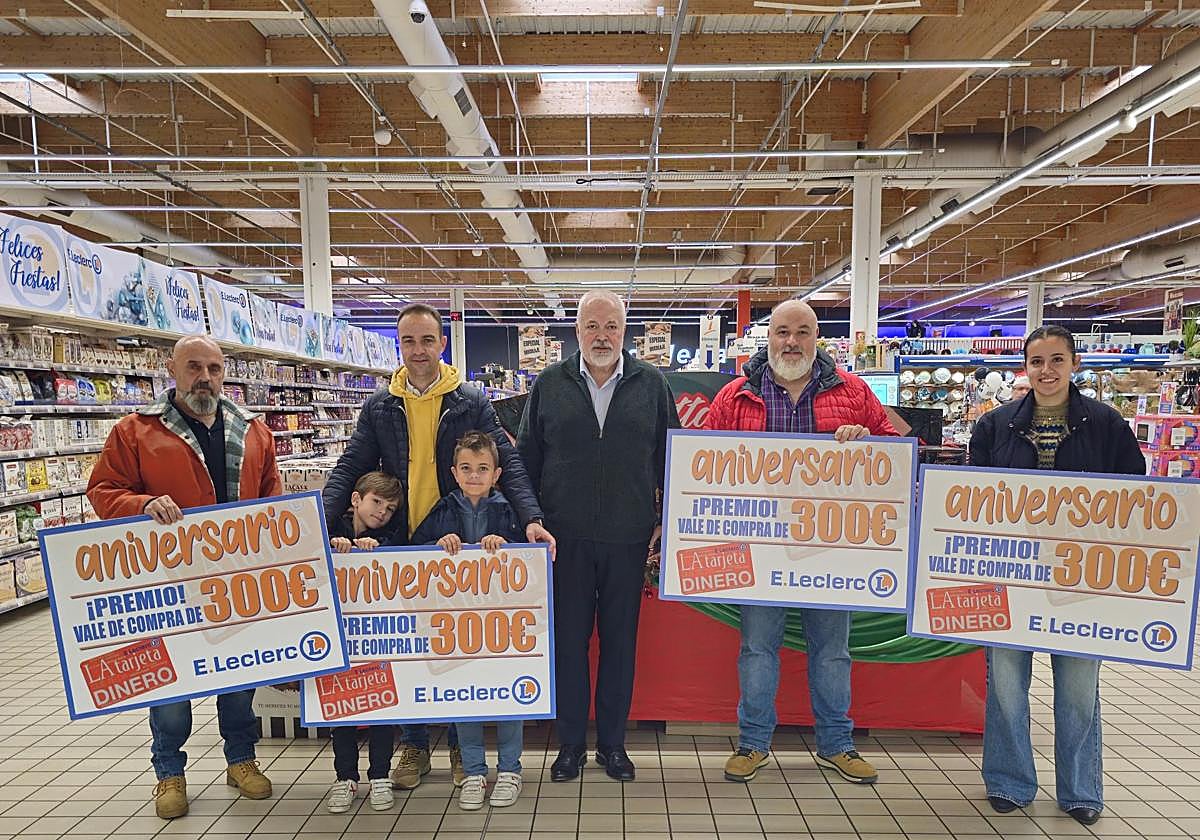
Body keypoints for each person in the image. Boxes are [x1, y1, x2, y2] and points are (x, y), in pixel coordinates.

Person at [321, 302, 555, 790]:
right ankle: (413, 744)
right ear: (399, 345)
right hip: (406, 539)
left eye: (427, 340)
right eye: (409, 340)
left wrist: (530, 518)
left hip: (456, 542)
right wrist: (320, 519)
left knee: (453, 639)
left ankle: (454, 744)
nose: (419, 350)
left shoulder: (468, 398)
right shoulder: (381, 403)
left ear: (442, 343)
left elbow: (505, 461)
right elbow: (351, 463)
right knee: (412, 643)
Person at [704, 299, 898, 786]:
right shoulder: (735, 395)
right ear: (768, 338)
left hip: (832, 549)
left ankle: (837, 744)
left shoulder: (854, 394)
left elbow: (896, 450)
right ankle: (752, 744)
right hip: (759, 550)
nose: (792, 341)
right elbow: (702, 460)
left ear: (818, 339)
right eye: (782, 332)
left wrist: (869, 442)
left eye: (803, 332)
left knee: (832, 650)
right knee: (757, 649)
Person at [86, 335, 279, 820]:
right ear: (171, 368)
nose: (205, 378)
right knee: (171, 683)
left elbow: (274, 497)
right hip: (168, 585)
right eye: (194, 367)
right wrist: (142, 504)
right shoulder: (136, 431)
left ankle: (241, 760)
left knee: (239, 676)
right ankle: (168, 773)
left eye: (214, 368)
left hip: (236, 581)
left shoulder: (253, 430)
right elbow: (104, 489)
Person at [969, 325, 1145, 826]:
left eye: (1056, 361)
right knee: (1004, 684)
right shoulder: (994, 426)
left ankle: (1081, 789)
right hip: (1008, 576)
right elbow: (971, 500)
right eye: (1037, 362)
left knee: (1077, 688)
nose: (1046, 371)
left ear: (1074, 365)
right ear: (1025, 367)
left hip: (1080, 580)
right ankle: (1008, 781)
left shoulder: (1107, 424)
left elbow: (1134, 496)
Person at [517, 290, 680, 782]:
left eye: (611, 326)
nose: (602, 335)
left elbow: (672, 458)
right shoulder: (549, 383)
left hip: (628, 538)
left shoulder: (652, 385)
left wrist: (664, 518)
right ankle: (569, 745)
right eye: (592, 326)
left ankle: (613, 745)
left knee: (619, 643)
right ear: (577, 332)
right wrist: (531, 518)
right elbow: (524, 461)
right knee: (568, 644)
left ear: (624, 330)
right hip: (561, 541)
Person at [411, 431, 528, 810]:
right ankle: (475, 771)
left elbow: (529, 561)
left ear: (496, 473)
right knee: (466, 697)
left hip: (503, 627)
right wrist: (437, 546)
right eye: (466, 468)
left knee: (509, 697)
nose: (474, 476)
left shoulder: (509, 510)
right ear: (454, 472)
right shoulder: (444, 509)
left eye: (482, 469)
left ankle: (510, 769)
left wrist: (507, 546)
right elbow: (413, 552)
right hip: (458, 628)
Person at [325, 471, 404, 814]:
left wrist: (378, 547)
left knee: (381, 707)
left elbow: (402, 551)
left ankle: (381, 775)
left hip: (377, 638)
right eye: (376, 502)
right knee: (339, 707)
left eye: (389, 508)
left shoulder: (388, 533)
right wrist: (335, 545)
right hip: (340, 635)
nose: (381, 513)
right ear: (356, 499)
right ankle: (345, 777)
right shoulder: (332, 529)